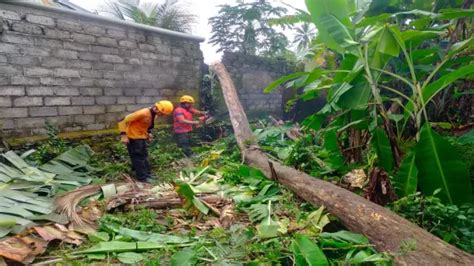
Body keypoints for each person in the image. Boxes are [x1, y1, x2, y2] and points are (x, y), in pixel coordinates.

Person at [118, 100, 174, 182]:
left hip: (141, 137)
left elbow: (146, 125)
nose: (162, 116)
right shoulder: (143, 113)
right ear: (157, 109)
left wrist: (148, 133)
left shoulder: (154, 114)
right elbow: (122, 120)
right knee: (138, 157)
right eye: (162, 114)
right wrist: (123, 135)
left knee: (144, 156)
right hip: (133, 137)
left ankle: (146, 174)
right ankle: (142, 177)